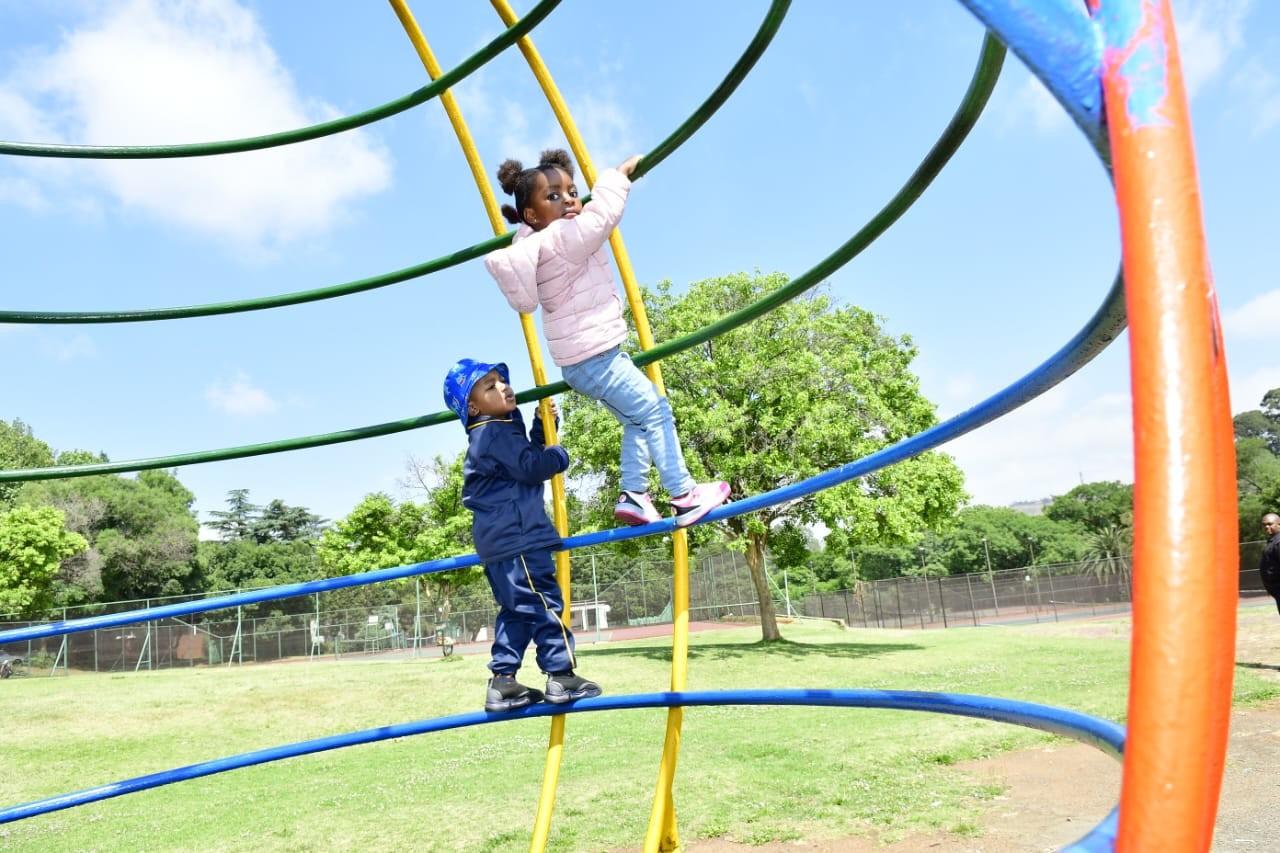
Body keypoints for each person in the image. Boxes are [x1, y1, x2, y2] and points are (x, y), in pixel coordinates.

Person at [483, 148, 729, 529]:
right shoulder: (563, 237)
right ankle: (684, 496)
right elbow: (603, 217)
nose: (568, 200)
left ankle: (634, 495)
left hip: (582, 362)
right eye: (553, 196)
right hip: (597, 356)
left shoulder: (534, 244)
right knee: (656, 410)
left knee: (637, 420)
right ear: (532, 217)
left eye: (570, 191)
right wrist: (618, 176)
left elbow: (572, 222)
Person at [443, 358, 601, 712]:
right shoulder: (495, 433)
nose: (503, 387)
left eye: (502, 380)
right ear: (473, 406)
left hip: (499, 541)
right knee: (545, 603)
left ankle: (503, 683)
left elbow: (523, 460)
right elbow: (532, 467)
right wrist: (558, 454)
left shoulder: (492, 435)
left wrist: (544, 428)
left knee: (516, 611)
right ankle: (561, 675)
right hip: (519, 539)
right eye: (490, 386)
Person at [1259, 513, 1280, 615]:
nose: (1267, 527)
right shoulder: (1273, 541)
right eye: (1264, 525)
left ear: (1279, 524)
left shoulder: (1278, 542)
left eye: (1270, 524)